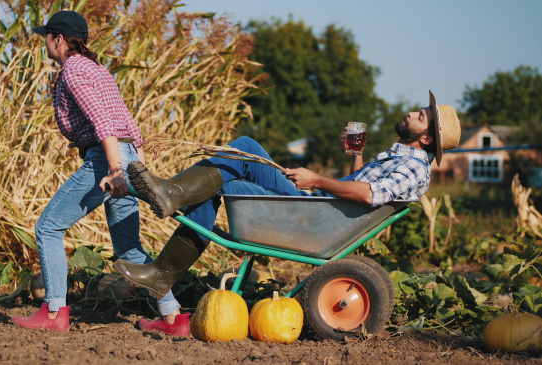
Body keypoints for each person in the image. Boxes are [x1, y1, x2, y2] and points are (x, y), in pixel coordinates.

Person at [113, 91, 461, 301]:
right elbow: (361, 185)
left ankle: (164, 263)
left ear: (426, 138)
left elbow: (368, 195)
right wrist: (356, 155)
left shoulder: (415, 168)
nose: (412, 114)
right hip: (321, 209)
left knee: (223, 184)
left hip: (314, 214)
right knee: (245, 148)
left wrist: (316, 179)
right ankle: (170, 200)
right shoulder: (401, 157)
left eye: (420, 117)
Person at [11, 11, 187, 335]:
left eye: (46, 37)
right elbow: (130, 126)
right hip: (126, 155)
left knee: (48, 228)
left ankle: (53, 313)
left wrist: (118, 172)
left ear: (58, 39)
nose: (45, 43)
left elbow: (103, 125)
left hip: (105, 161)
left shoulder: (74, 71)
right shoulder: (97, 69)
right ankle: (173, 316)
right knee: (128, 248)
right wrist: (138, 170)